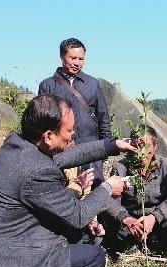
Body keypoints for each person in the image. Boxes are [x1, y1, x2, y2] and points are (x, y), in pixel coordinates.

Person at [0, 94, 136, 267]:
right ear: (48, 135)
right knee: (92, 259)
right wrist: (108, 188)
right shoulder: (38, 172)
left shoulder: (17, 144)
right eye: (68, 130)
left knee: (82, 236)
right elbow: (78, 215)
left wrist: (112, 145)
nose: (72, 134)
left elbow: (64, 156)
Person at [38, 37, 112, 187]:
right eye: (72, 58)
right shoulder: (48, 85)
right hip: (61, 151)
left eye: (81, 59)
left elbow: (103, 117)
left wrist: (106, 147)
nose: (77, 63)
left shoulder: (92, 84)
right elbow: (41, 121)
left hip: (91, 148)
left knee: (96, 190)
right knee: (66, 191)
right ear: (61, 56)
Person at [102, 126, 167, 252]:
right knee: (107, 217)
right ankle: (128, 243)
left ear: (155, 147)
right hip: (129, 221)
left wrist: (155, 217)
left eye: (145, 146)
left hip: (156, 220)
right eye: (137, 146)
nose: (141, 151)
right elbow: (111, 201)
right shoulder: (120, 168)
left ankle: (160, 244)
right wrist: (127, 219)